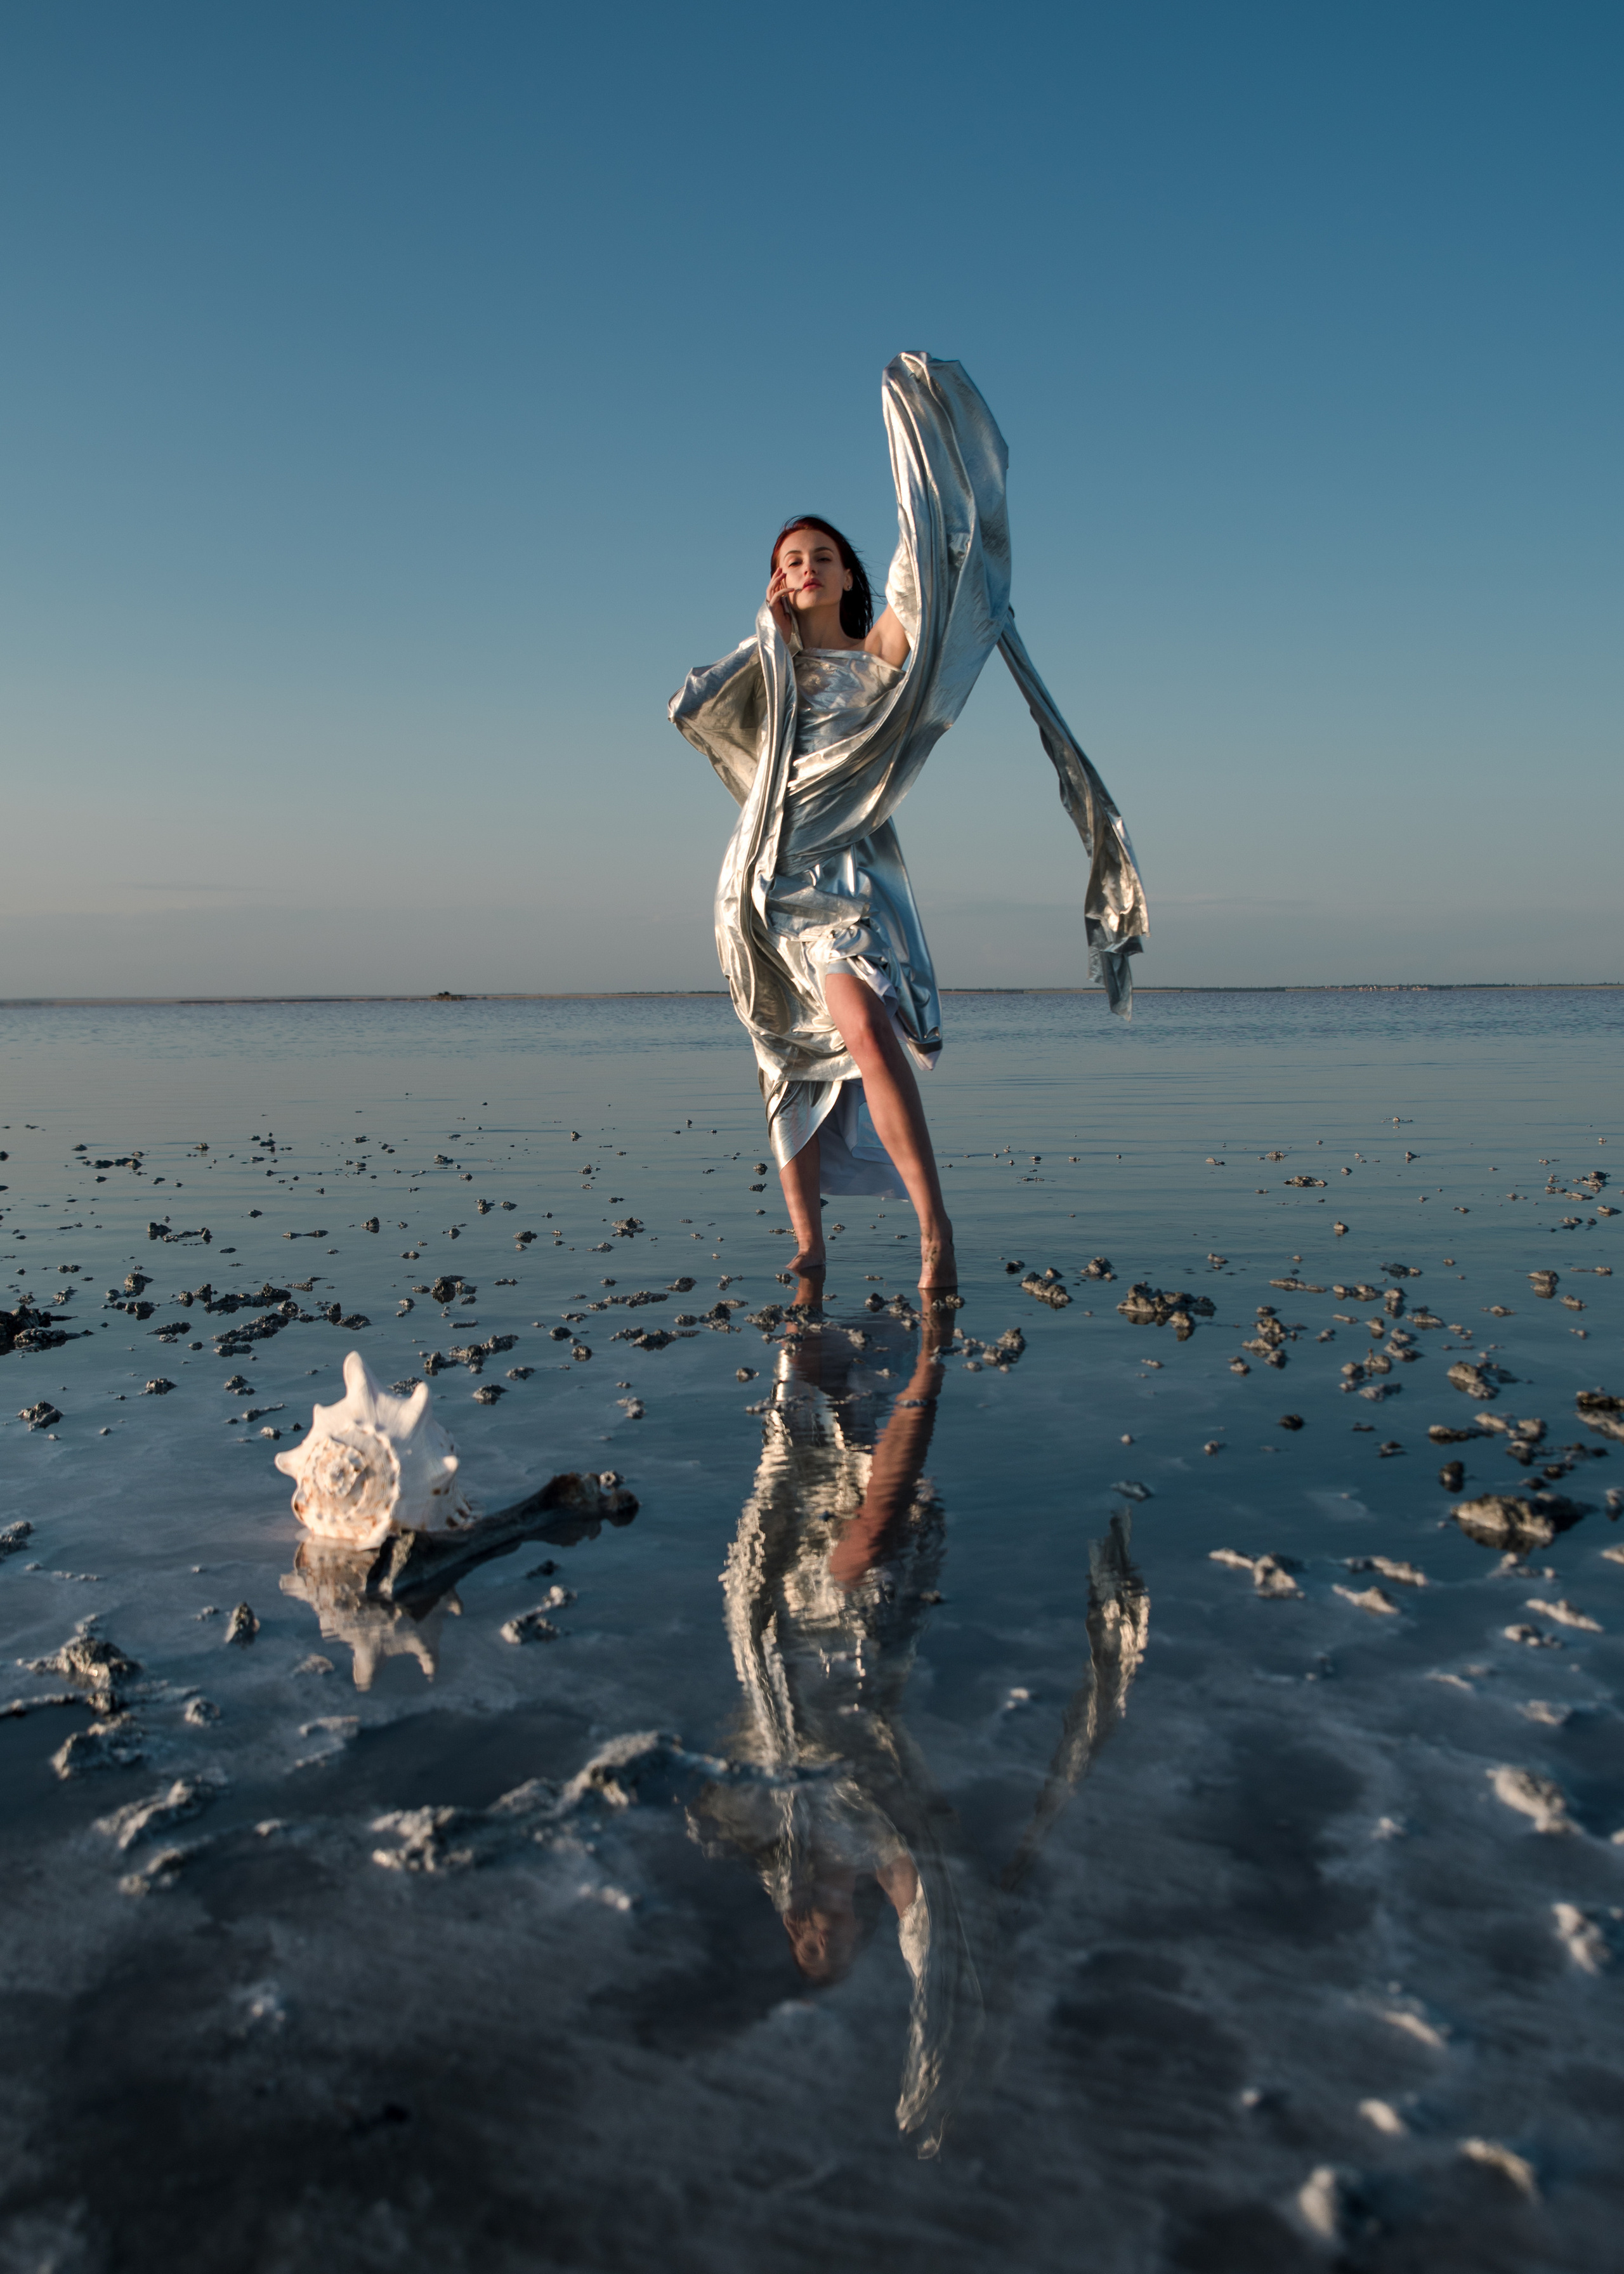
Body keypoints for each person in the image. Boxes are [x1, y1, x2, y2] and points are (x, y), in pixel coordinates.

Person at [669, 352, 1149, 1294]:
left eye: (822, 556)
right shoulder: (769, 669)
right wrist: (767, 636)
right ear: (775, 585)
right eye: (789, 562)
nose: (806, 568)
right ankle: (809, 1243)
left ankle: (935, 1226)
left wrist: (921, 462)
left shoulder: (878, 650)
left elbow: (925, 573)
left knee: (862, 1026)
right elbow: (691, 707)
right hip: (760, 886)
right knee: (786, 1059)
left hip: (842, 883)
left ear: (847, 573)